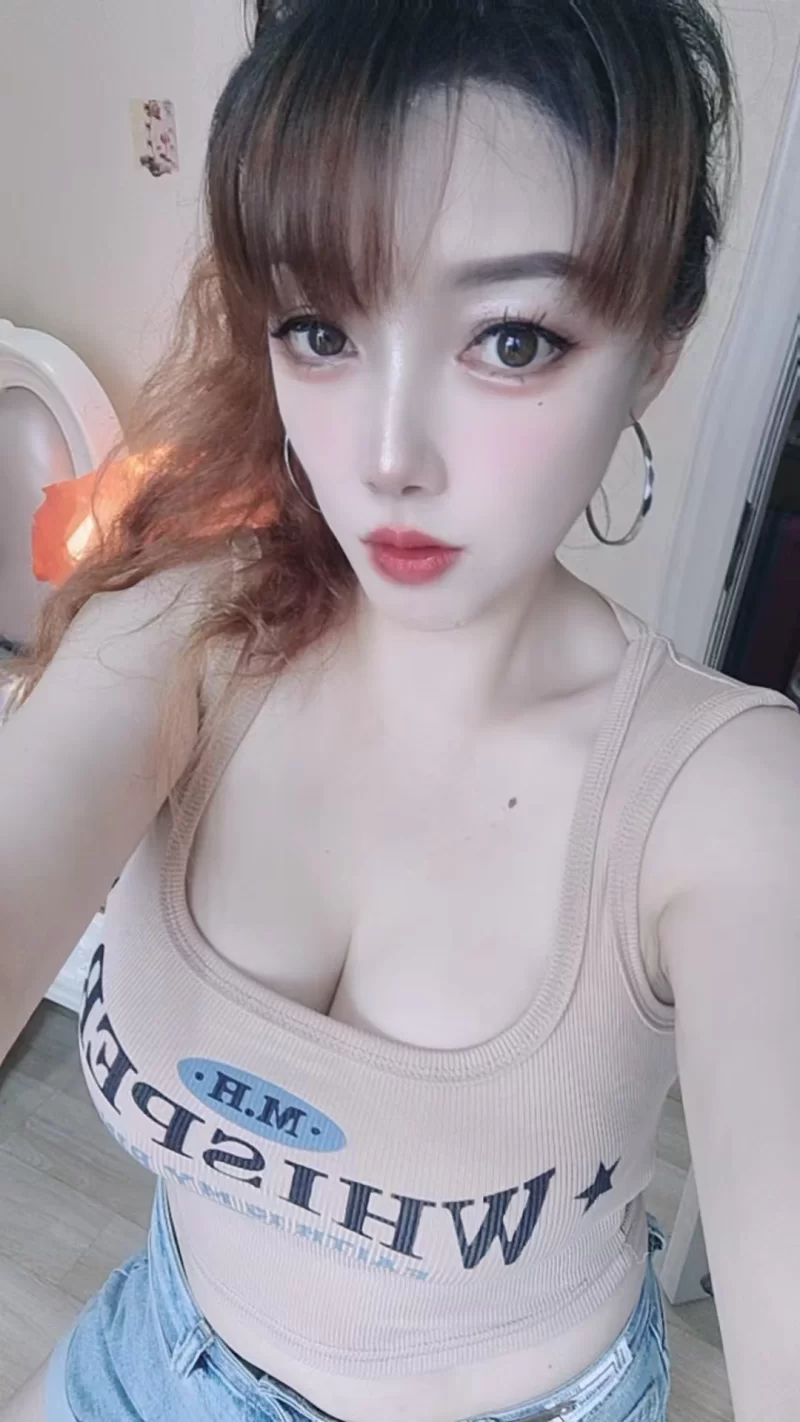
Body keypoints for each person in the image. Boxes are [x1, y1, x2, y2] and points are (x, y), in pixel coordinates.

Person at [1, 1, 798, 1419]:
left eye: (513, 341)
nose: (385, 456)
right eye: (320, 329)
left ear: (656, 349)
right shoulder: (187, 636)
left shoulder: (721, 800)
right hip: (154, 1363)